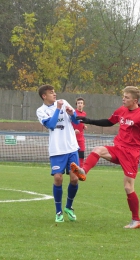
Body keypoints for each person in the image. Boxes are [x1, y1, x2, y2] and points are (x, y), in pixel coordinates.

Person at [69, 86, 140, 229]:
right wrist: (88, 120)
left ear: (135, 100)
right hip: (118, 148)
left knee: (128, 187)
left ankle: (136, 220)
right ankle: (83, 171)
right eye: (123, 96)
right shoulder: (121, 110)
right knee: (98, 150)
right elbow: (108, 122)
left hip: (131, 154)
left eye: (126, 97)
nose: (123, 99)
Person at [36, 84, 81, 223]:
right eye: (51, 92)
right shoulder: (41, 111)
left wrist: (71, 114)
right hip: (57, 150)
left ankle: (68, 207)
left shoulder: (64, 102)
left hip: (72, 148)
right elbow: (51, 124)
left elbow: (76, 121)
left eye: (54, 92)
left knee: (75, 178)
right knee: (58, 178)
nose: (54, 94)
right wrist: (58, 109)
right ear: (44, 96)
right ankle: (59, 212)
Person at [72, 97, 88, 168]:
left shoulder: (84, 114)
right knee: (73, 154)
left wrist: (84, 126)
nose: (80, 105)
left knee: (81, 155)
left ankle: (80, 170)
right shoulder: (73, 113)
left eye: (81, 103)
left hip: (81, 138)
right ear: (76, 105)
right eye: (78, 103)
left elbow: (81, 123)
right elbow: (69, 123)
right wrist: (73, 131)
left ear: (83, 105)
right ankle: (73, 169)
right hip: (73, 137)